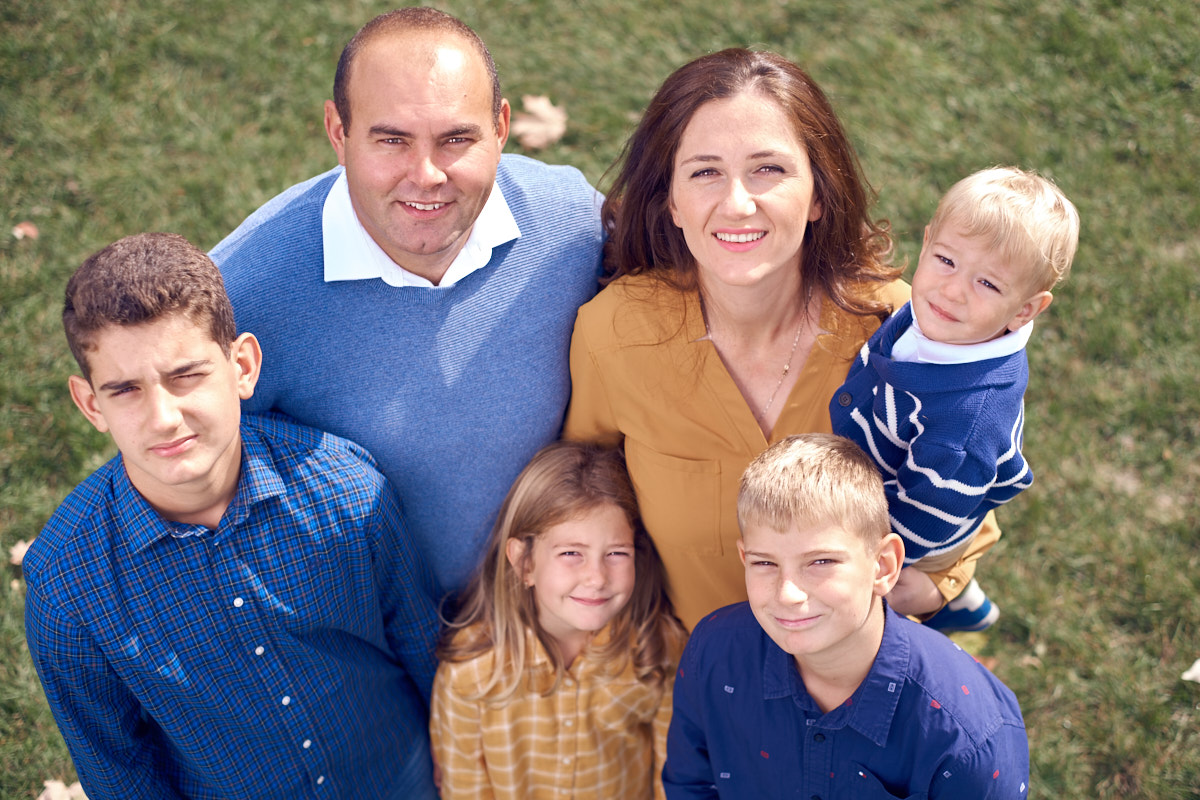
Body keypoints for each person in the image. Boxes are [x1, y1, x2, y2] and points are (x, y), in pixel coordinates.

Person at [564, 47, 998, 629]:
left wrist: (925, 591)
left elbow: (967, 488)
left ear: (819, 193)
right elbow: (587, 491)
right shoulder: (613, 332)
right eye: (705, 172)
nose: (737, 203)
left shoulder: (902, 331)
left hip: (859, 675)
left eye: (768, 169)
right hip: (696, 681)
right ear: (670, 199)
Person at [23, 233, 442, 799]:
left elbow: (430, 653)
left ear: (241, 366)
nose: (164, 418)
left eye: (186, 375)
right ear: (92, 403)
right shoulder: (67, 585)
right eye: (125, 390)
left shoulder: (346, 491)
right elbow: (120, 771)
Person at [211, 7, 605, 594]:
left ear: (500, 127)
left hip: (543, 613)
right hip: (364, 629)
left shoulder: (575, 225)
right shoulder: (242, 292)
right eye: (392, 140)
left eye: (455, 139)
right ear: (338, 132)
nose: (426, 176)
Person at [663, 433, 1029, 798]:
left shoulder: (970, 737)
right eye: (765, 563)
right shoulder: (712, 653)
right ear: (745, 558)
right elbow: (691, 784)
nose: (788, 594)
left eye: (821, 561)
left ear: (883, 566)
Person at [831, 166, 1079, 632]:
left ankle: (950, 605)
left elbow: (931, 516)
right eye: (946, 260)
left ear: (1025, 309)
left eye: (988, 284)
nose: (952, 290)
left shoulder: (965, 422)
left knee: (889, 598)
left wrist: (875, 556)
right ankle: (966, 597)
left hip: (923, 516)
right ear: (927, 244)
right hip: (906, 473)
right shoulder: (939, 322)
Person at [431, 441, 686, 799]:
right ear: (525, 563)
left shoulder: (657, 647)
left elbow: (671, 776)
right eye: (571, 554)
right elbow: (465, 790)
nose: (596, 577)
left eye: (615, 553)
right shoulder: (469, 671)